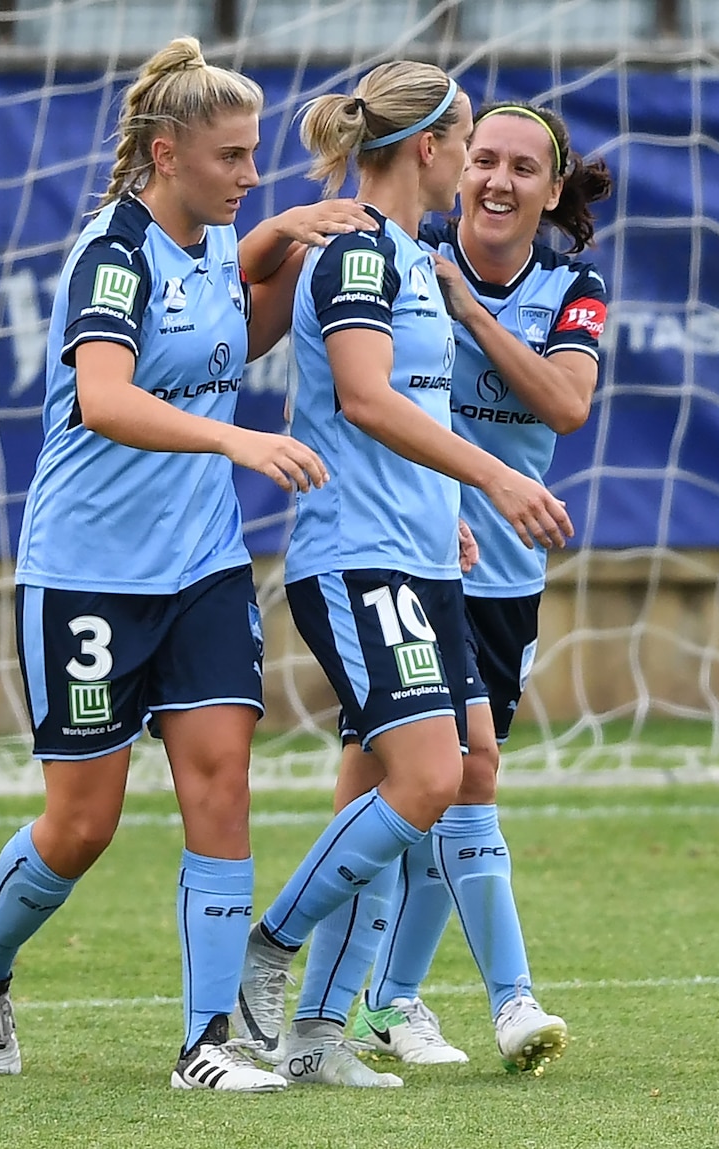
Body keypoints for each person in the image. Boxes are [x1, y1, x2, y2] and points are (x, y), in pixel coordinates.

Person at [0, 35, 377, 1094]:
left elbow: (236, 335)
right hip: (87, 573)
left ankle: (205, 1047)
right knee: (81, 826)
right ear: (166, 152)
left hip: (202, 571)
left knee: (221, 786)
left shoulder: (217, 253)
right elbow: (106, 396)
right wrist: (236, 441)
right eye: (232, 157)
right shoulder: (115, 251)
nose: (251, 172)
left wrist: (299, 249)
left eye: (256, 154)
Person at [231, 63, 575, 1087]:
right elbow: (369, 402)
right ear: (427, 150)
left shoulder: (413, 262)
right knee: (428, 778)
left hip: (420, 556)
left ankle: (318, 1038)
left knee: (441, 772)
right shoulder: (355, 260)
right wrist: (494, 485)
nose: (475, 166)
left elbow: (407, 416)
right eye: (468, 143)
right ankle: (271, 948)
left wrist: (447, 521)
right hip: (355, 559)